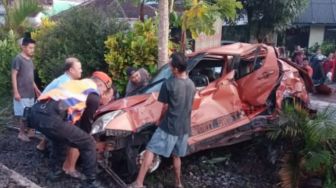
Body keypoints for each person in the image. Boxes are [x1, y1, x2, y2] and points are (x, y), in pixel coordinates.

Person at [29, 71, 112, 188]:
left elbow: (67, 109)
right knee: (88, 143)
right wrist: (89, 139)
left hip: (35, 113)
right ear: (101, 85)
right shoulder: (93, 95)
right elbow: (86, 125)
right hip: (51, 117)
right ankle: (92, 182)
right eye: (104, 90)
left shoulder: (76, 84)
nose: (102, 94)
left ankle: (55, 173)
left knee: (59, 138)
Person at [128, 52, 196, 188]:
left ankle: (138, 183)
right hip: (184, 127)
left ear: (176, 69)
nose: (169, 66)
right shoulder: (191, 84)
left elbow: (165, 106)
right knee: (177, 156)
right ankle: (178, 184)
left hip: (169, 126)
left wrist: (159, 120)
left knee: (150, 149)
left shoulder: (169, 83)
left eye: (171, 64)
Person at [36, 57, 82, 151]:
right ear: (71, 70)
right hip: (42, 112)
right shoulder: (65, 83)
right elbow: (63, 106)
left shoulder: (66, 79)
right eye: (79, 68)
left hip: (42, 110)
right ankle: (61, 153)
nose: (81, 70)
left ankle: (42, 145)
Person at [11, 37, 41, 142]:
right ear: (23, 47)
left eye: (33, 48)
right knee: (24, 115)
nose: (32, 50)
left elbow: (31, 78)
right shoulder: (18, 59)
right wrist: (16, 92)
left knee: (31, 113)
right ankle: (21, 133)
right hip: (21, 93)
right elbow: (14, 75)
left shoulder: (30, 60)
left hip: (30, 93)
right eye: (30, 48)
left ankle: (30, 132)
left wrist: (36, 90)